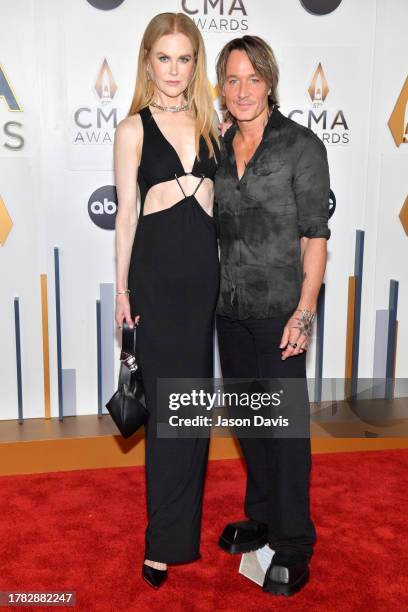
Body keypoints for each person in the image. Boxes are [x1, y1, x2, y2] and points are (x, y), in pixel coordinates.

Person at [214, 36, 331, 596]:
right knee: (250, 424)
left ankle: (294, 543)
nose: (242, 90)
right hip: (229, 313)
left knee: (285, 434)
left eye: (252, 78)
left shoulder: (300, 147)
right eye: (232, 79)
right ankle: (260, 516)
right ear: (222, 85)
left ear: (270, 81)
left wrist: (304, 313)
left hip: (280, 312)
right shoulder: (218, 149)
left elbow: (316, 238)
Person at [114, 12, 220, 589]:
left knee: (192, 413)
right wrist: (123, 291)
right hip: (155, 279)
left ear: (194, 63)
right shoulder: (132, 129)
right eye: (164, 57)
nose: (174, 70)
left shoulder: (212, 126)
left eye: (184, 58)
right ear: (148, 61)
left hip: (203, 279)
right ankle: (160, 542)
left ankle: (178, 534)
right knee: (165, 413)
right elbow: (126, 219)